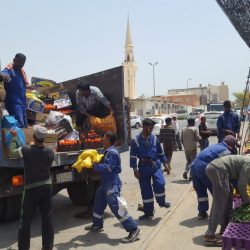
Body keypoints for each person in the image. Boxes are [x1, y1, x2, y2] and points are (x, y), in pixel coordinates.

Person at [85, 131, 140, 243]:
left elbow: (108, 167)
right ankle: (97, 224)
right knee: (98, 202)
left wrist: (94, 166)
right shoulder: (105, 151)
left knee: (116, 207)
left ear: (109, 139)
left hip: (112, 183)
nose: (102, 139)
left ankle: (134, 229)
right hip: (105, 183)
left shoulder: (113, 153)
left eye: (104, 137)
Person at [9, 125, 54, 250]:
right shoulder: (51, 151)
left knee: (26, 220)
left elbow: (12, 151)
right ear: (44, 138)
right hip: (46, 186)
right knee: (47, 218)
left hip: (31, 189)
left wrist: (13, 139)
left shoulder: (26, 150)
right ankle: (47, 247)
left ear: (34, 136)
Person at [204, 155, 250, 245]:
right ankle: (209, 234)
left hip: (219, 169)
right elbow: (241, 184)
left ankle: (224, 227)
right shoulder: (249, 163)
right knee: (220, 202)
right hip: (218, 170)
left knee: (228, 198)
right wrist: (248, 202)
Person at [130, 118, 171, 220]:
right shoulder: (135, 140)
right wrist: (135, 169)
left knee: (160, 183)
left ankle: (161, 202)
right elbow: (133, 156)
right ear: (144, 127)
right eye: (150, 128)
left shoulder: (154, 138)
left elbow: (160, 152)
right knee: (146, 190)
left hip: (155, 165)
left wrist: (166, 164)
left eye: (152, 128)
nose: (152, 130)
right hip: (143, 167)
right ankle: (148, 212)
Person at [190, 135, 237, 219]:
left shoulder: (216, 146)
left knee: (201, 191)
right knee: (217, 191)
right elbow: (227, 169)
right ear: (231, 145)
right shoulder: (225, 151)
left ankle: (202, 212)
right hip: (205, 167)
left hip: (194, 166)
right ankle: (221, 214)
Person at [0, 53, 30, 128]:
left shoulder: (21, 72)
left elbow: (22, 86)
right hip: (14, 103)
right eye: (19, 63)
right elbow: (3, 74)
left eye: (22, 64)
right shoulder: (9, 70)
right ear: (14, 60)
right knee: (19, 125)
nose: (20, 65)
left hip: (22, 103)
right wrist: (4, 76)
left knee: (25, 126)